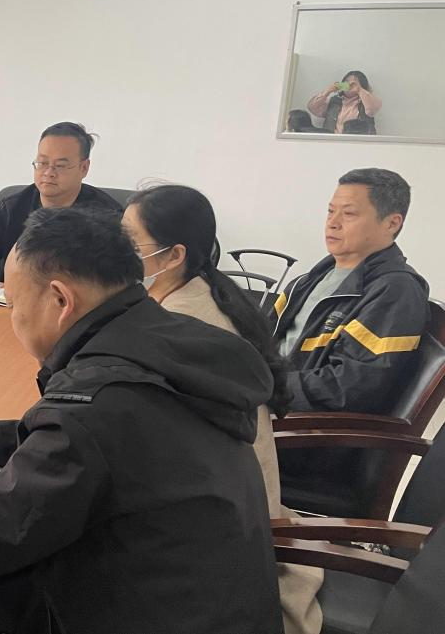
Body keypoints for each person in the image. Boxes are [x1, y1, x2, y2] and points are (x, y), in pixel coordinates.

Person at [0, 207, 282, 634]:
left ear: (60, 300)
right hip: (221, 605)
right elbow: (100, 452)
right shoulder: (166, 338)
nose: (13, 318)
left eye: (13, 304)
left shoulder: (94, 405)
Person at [123, 184, 323, 634]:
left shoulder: (181, 327)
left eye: (130, 243)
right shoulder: (205, 292)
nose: (118, 253)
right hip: (237, 498)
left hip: (228, 534)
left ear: (174, 255)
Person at [274, 168, 427, 414]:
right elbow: (259, 338)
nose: (333, 223)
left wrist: (264, 387)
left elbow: (348, 387)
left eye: (349, 214)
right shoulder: (310, 279)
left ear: (392, 223)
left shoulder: (396, 291)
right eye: (330, 211)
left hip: (302, 423)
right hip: (266, 401)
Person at [0, 122, 123, 294]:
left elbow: (119, 284)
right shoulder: (12, 209)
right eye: (42, 163)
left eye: (60, 165)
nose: (49, 172)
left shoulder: (107, 217)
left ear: (84, 168)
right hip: (13, 306)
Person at [307, 71, 381, 135]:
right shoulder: (334, 101)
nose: (349, 85)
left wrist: (359, 90)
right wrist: (327, 91)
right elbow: (312, 108)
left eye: (354, 83)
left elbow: (371, 110)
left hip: (359, 143)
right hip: (332, 142)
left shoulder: (367, 101)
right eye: (347, 82)